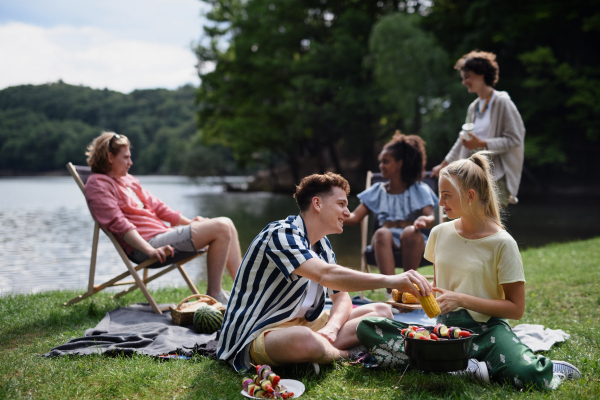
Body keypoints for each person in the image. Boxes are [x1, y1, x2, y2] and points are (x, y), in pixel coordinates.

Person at [358, 152, 581, 389]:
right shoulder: (439, 233)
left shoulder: (503, 243)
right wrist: (418, 295)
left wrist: (462, 300)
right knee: (367, 327)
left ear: (470, 195)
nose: (440, 204)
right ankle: (470, 367)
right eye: (440, 196)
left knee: (528, 375)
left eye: (446, 196)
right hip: (443, 333)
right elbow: (441, 286)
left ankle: (538, 366)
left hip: (487, 334)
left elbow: (516, 309)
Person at [217, 172, 433, 372]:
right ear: (317, 203)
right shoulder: (281, 234)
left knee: (381, 312)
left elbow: (341, 297)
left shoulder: (322, 244)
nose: (348, 213)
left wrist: (331, 327)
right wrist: (392, 280)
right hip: (259, 331)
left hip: (303, 324)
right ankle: (346, 354)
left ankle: (317, 353)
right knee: (304, 339)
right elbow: (326, 274)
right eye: (341, 204)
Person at [84, 132, 242, 303]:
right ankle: (214, 294)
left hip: (162, 236)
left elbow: (159, 207)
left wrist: (190, 223)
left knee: (228, 224)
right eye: (126, 158)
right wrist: (149, 250)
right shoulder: (98, 184)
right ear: (110, 157)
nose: (131, 163)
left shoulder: (128, 180)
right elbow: (120, 225)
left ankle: (243, 292)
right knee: (221, 227)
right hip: (146, 246)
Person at [344, 132, 438, 288]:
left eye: (386, 161)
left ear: (400, 163)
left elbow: (431, 218)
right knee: (381, 233)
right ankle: (392, 290)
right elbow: (354, 218)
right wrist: (331, 214)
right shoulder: (377, 191)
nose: (381, 166)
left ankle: (408, 286)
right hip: (385, 242)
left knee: (410, 231)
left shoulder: (418, 189)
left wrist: (424, 220)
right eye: (381, 162)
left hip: (412, 240)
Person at [431, 51, 525, 206]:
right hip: (473, 176)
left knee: (490, 226)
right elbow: (463, 140)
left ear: (481, 74)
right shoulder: (473, 107)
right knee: (472, 223)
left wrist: (481, 143)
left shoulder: (503, 102)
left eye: (467, 76)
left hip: (497, 177)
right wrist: (444, 164)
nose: (464, 82)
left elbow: (515, 140)